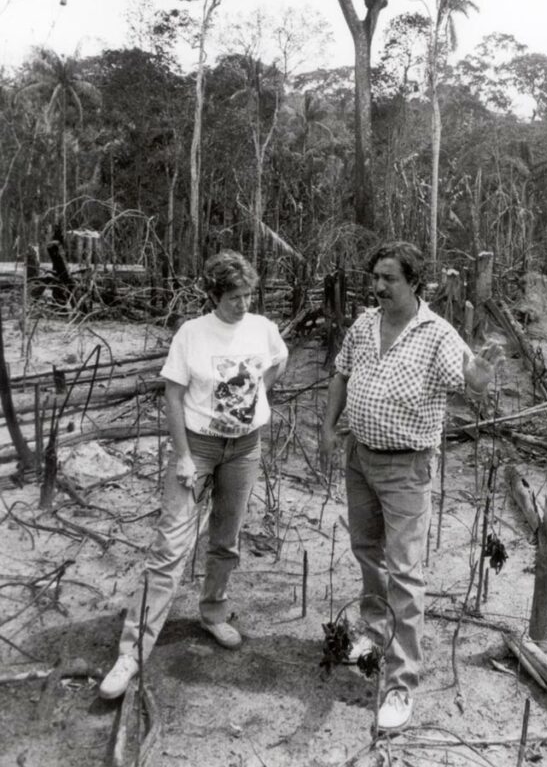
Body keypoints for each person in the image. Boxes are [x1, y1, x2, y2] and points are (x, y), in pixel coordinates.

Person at [319, 241, 502, 732]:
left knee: (404, 572)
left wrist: (480, 379)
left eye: (389, 279)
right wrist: (327, 427)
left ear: (414, 282)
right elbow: (341, 374)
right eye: (375, 277)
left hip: (406, 469)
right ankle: (375, 639)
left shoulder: (437, 334)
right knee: (366, 552)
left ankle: (400, 685)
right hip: (360, 459)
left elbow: (470, 378)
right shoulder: (364, 324)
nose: (378, 286)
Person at [99, 250, 288, 699]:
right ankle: (133, 650)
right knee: (170, 545)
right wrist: (183, 456)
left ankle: (214, 612)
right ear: (214, 295)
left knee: (226, 538)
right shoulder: (192, 334)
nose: (243, 304)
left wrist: (258, 397)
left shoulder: (262, 329)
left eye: (248, 295)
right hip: (199, 447)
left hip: (245, 447)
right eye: (234, 297)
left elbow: (279, 359)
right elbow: (173, 396)